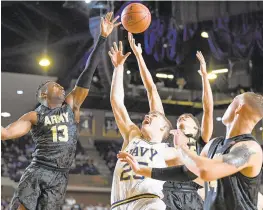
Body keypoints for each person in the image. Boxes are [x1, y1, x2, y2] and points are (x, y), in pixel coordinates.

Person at [1, 12, 120, 210]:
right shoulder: (34, 116)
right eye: (55, 86)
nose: (61, 88)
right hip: (38, 170)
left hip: (60, 175)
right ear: (44, 95)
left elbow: (87, 74)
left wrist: (102, 38)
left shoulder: (71, 105)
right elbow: (6, 133)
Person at [118, 92, 263, 210]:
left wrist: (182, 148)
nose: (228, 106)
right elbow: (186, 172)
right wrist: (141, 170)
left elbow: (206, 171)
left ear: (238, 107)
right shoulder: (214, 143)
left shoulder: (250, 149)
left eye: (232, 102)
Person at [127, 33, 213, 210]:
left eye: (188, 117)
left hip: (191, 196)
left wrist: (204, 76)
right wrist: (139, 56)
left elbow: (208, 108)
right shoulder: (165, 140)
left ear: (196, 128)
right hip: (166, 194)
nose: (183, 116)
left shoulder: (201, 141)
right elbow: (152, 90)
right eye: (181, 117)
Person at [108, 40, 173, 210]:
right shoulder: (133, 135)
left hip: (149, 201)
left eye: (153, 116)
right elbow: (116, 102)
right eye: (148, 114)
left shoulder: (163, 146)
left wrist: (139, 56)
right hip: (119, 204)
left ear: (163, 128)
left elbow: (152, 90)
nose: (147, 115)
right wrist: (118, 68)